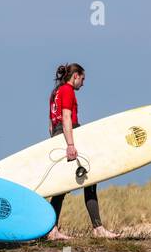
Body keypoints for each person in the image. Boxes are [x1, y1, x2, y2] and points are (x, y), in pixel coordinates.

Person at [45, 63, 115, 240]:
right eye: (82, 79)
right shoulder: (68, 90)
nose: (82, 84)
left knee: (60, 187)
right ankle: (97, 228)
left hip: (57, 135)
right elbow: (67, 117)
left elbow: (50, 123)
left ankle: (51, 230)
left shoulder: (55, 92)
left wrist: (55, 142)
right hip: (70, 134)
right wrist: (70, 144)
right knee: (90, 179)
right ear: (75, 75)